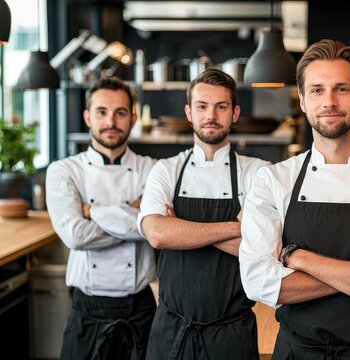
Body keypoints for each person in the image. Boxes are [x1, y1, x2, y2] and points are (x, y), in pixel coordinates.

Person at [239, 39, 350, 359]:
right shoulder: (272, 180)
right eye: (317, 90)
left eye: (341, 89)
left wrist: (298, 258)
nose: (329, 101)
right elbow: (257, 283)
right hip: (295, 351)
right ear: (303, 99)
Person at [138, 68, 269, 359]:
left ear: (235, 113)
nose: (211, 115)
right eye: (202, 106)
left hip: (232, 332)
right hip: (172, 330)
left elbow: (262, 248)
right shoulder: (166, 170)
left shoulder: (258, 173)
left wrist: (181, 229)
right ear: (189, 112)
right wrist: (238, 228)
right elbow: (158, 235)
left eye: (221, 106)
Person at [46, 77, 157, 359]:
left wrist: (93, 211)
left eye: (120, 113)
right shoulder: (64, 171)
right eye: (102, 112)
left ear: (132, 118)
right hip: (88, 311)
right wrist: (136, 217)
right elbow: (76, 236)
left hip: (140, 309)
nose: (111, 121)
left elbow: (158, 229)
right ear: (87, 117)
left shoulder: (153, 170)